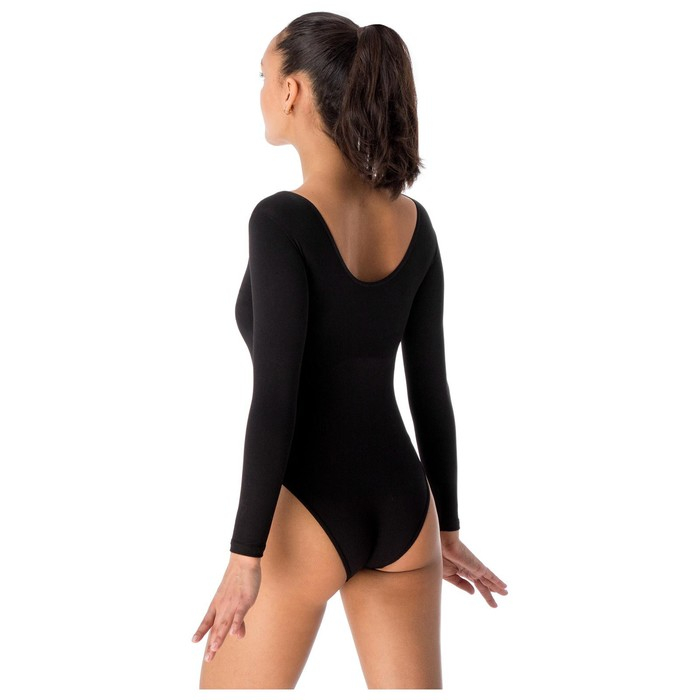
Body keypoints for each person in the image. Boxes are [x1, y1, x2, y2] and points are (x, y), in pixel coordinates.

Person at [192, 12, 508, 689]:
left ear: (292, 91)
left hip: (307, 511)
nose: (260, 91)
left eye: (262, 76)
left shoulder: (280, 220)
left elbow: (276, 396)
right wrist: (446, 527)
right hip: (405, 509)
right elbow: (430, 389)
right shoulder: (413, 222)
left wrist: (244, 557)